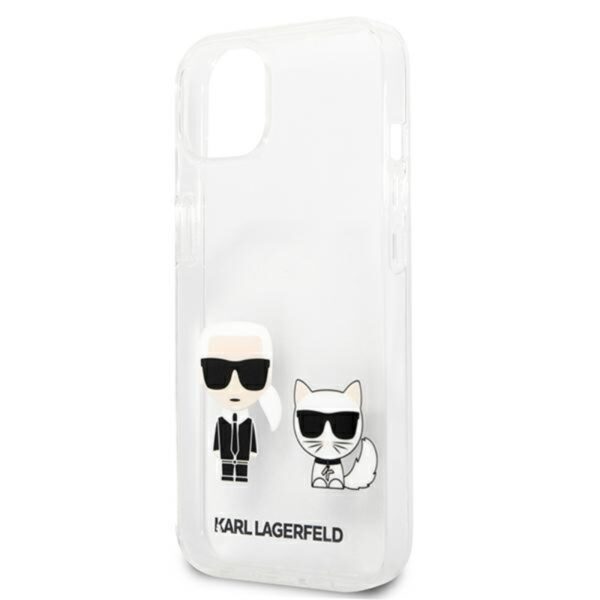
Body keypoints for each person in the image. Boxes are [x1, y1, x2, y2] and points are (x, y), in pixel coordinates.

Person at [199, 322, 281, 483]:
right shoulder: (220, 422)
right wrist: (217, 450)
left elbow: (252, 438)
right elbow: (218, 437)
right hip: (225, 459)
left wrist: (252, 451)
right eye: (217, 371)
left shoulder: (248, 423)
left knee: (242, 472)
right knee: (227, 472)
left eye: (252, 372)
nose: (234, 386)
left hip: (244, 458)